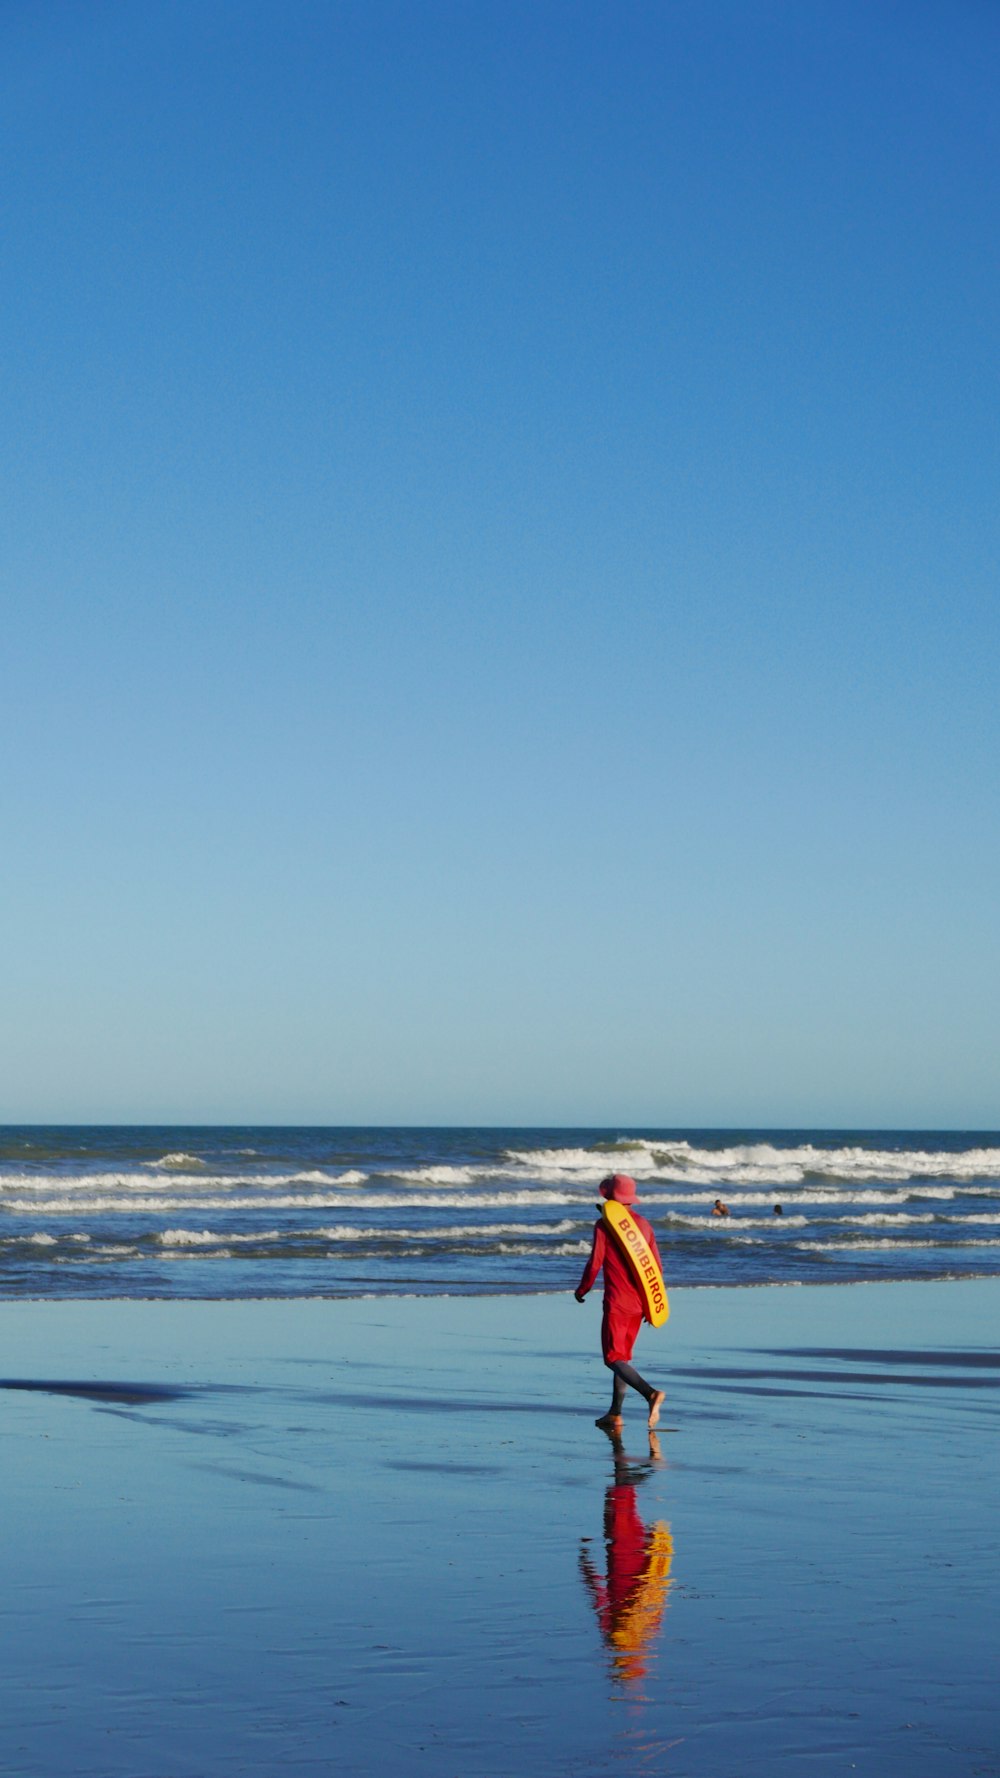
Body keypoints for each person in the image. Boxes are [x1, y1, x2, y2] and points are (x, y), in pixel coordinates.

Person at [575, 1174, 666, 1431]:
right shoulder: (645, 1225)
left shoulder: (604, 1225)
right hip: (639, 1304)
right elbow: (655, 1269)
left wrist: (583, 1288)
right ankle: (615, 1413)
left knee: (612, 1357)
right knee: (622, 1358)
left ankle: (650, 1394)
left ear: (609, 1196)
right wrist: (652, 1305)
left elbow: (595, 1262)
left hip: (617, 1303)